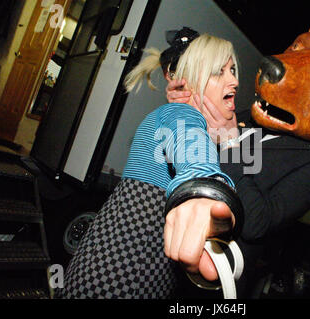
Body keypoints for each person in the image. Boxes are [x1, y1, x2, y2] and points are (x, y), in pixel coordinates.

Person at [55, 27, 243, 299]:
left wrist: (229, 139)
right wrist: (205, 189)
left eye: (233, 70)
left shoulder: (200, 126)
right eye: (220, 71)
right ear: (193, 79)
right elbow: (193, 150)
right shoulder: (179, 113)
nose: (234, 81)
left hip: (142, 271)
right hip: (117, 274)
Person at [166, 78, 310, 297]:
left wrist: (231, 146)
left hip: (217, 273)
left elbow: (256, 223)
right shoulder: (243, 117)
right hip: (170, 245)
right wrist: (183, 113)